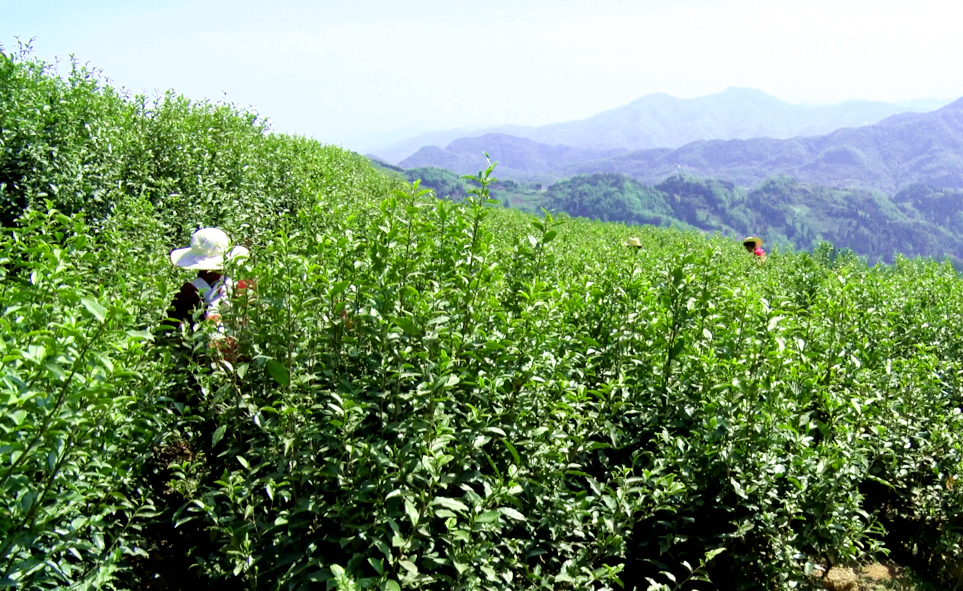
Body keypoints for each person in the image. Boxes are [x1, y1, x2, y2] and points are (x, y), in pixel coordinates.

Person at [162, 227, 251, 362]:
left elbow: (168, 327)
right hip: (243, 359)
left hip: (205, 362)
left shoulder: (188, 292)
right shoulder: (244, 286)